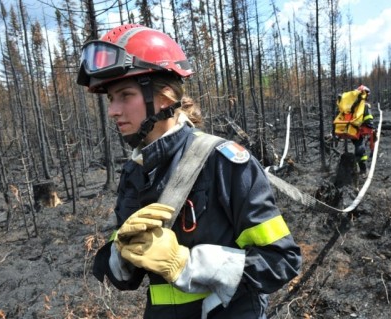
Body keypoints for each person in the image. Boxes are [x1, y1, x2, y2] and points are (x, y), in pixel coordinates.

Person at [77, 24, 301, 319]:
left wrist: (185, 265)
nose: (113, 110)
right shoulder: (136, 171)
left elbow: (281, 261)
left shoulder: (223, 163)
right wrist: (121, 251)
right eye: (110, 99)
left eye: (125, 95)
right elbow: (124, 280)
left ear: (165, 98)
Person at [352, 85, 375, 176]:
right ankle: (363, 170)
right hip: (361, 130)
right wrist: (371, 126)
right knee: (361, 149)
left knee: (359, 147)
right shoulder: (365, 105)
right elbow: (368, 118)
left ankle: (357, 166)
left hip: (353, 130)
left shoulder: (352, 105)